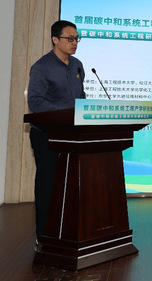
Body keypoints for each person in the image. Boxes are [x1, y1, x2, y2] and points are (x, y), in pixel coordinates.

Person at [27, 20, 86, 246]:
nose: (74, 43)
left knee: (70, 186)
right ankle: (43, 237)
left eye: (76, 39)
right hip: (47, 135)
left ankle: (67, 234)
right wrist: (63, 114)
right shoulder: (42, 67)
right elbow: (35, 101)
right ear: (55, 39)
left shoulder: (78, 65)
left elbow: (80, 96)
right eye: (70, 39)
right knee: (48, 185)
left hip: (72, 135)